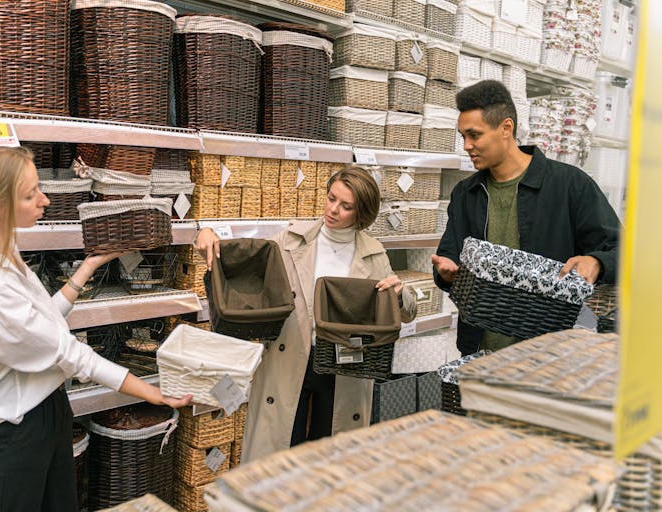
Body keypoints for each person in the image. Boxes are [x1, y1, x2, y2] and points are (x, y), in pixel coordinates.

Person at [0, 144, 192, 512]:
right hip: (13, 432)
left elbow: (39, 325)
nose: (45, 201)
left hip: (47, 407)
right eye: (30, 195)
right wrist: (153, 393)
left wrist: (87, 268)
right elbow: (65, 352)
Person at [196, 167, 416, 462]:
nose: (333, 210)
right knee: (281, 453)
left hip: (344, 363)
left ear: (362, 212)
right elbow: (242, 260)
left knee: (329, 457)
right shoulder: (291, 240)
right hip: (290, 358)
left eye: (345, 206)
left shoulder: (374, 255)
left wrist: (399, 294)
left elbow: (408, 311)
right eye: (331, 198)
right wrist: (208, 234)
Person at [432, 80, 621, 356]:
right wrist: (446, 273)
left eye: (474, 135)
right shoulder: (466, 193)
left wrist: (596, 262)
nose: (467, 146)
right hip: (479, 353)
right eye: (463, 136)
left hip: (550, 356)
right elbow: (448, 255)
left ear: (506, 128)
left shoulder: (570, 185)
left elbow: (623, 250)